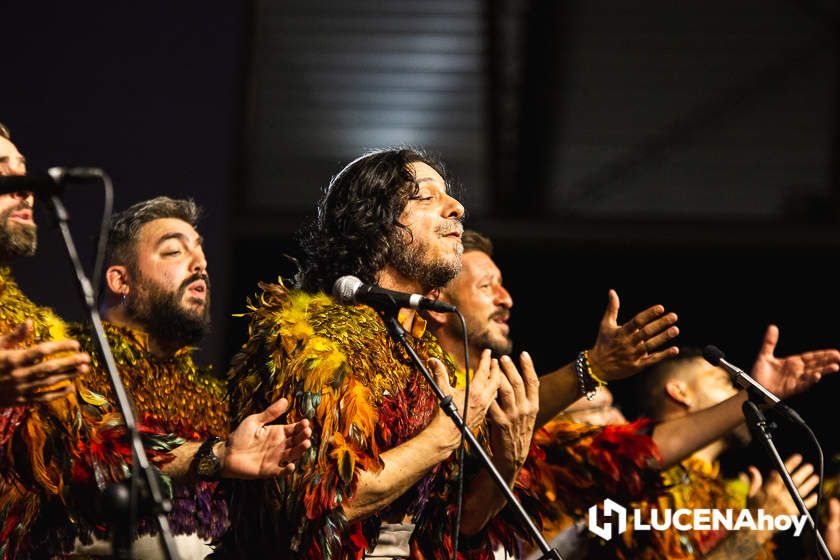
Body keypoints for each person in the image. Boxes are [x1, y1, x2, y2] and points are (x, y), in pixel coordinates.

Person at [428, 230, 837, 559]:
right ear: (435, 300)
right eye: (487, 286)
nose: (508, 298)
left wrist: (756, 398)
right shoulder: (408, 390)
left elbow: (636, 452)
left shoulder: (543, 442)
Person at [220, 148, 539, 559]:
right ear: (377, 227)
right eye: (426, 197)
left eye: (449, 196)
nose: (457, 208)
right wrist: (443, 436)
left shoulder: (423, 354)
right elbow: (326, 503)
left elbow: (455, 527)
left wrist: (507, 461)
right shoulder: (311, 342)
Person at [0, 195, 313, 559]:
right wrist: (214, 456)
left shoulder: (211, 396)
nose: (201, 265)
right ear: (121, 280)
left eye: (200, 252)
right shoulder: (70, 362)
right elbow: (82, 459)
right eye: (173, 252)